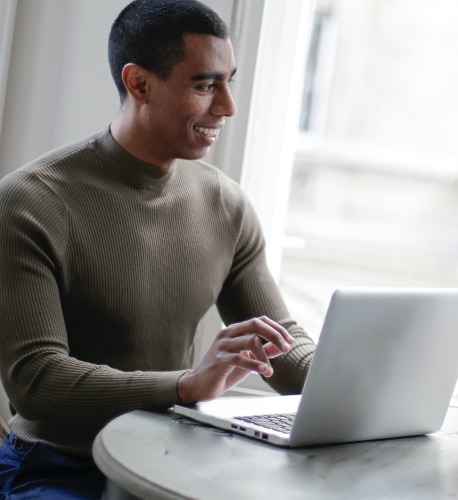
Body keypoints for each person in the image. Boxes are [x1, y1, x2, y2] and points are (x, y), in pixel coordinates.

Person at [0, 0, 317, 497]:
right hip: (59, 467)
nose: (228, 106)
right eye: (205, 85)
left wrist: (355, 385)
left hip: (169, 457)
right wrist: (184, 385)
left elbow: (282, 340)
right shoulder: (29, 202)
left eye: (229, 81)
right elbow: (36, 381)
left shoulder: (225, 203)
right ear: (139, 84)